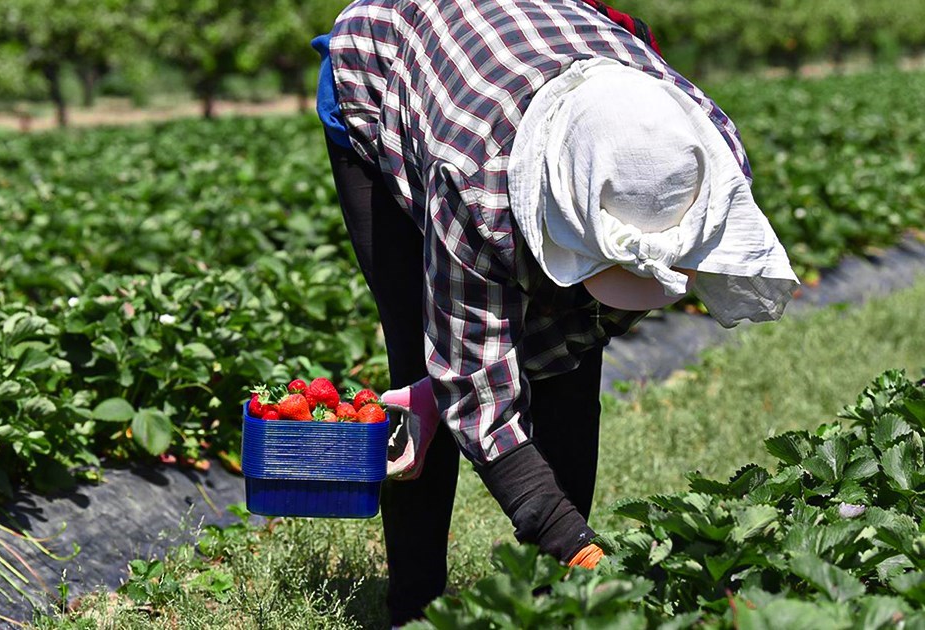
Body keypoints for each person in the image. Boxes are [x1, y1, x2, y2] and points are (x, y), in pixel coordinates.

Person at [311, 0, 800, 626]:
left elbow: (586, 326)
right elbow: (477, 398)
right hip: (389, 68)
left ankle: (554, 604)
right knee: (419, 358)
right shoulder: (473, 180)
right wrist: (573, 540)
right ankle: (414, 606)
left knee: (573, 369)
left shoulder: (702, 148)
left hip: (526, 56)